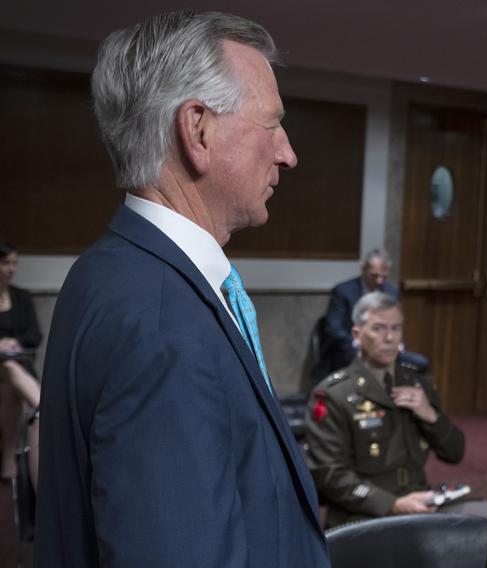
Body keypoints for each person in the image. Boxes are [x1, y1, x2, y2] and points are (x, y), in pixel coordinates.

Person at [35, 11, 330, 567]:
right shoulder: (162, 319)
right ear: (197, 129)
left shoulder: (111, 269)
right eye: (272, 125)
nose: (287, 152)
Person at [305, 291, 465, 528]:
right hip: (363, 515)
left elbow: (455, 453)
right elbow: (329, 475)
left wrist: (430, 416)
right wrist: (392, 504)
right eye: (378, 329)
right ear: (357, 334)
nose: (390, 338)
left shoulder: (418, 385)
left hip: (420, 506)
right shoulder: (333, 394)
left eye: (396, 328)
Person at [0, 241, 42, 563]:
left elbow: (34, 336)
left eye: (14, 263)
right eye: (6, 264)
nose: (11, 269)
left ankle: (9, 462)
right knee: (10, 373)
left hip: (17, 366)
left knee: (13, 374)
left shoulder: (23, 297)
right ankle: (44, 405)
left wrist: (14, 343)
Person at [320, 248, 400, 376]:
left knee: (412, 362)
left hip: (383, 345)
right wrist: (359, 344)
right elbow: (333, 328)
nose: (379, 281)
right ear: (364, 269)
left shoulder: (391, 293)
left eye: (384, 277)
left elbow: (395, 323)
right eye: (375, 275)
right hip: (349, 347)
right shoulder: (343, 291)